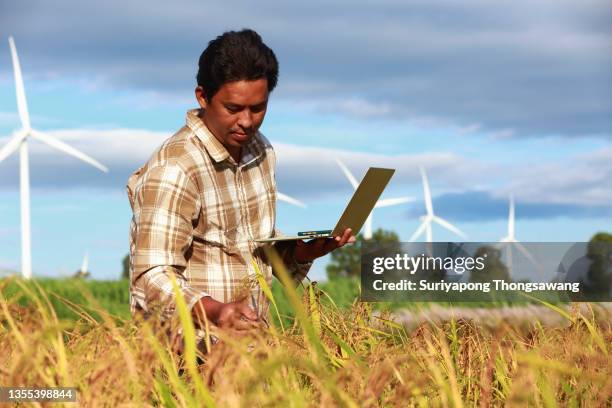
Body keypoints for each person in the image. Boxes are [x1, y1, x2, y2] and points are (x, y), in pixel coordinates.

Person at [126, 29, 355, 336]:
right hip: (188, 361)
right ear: (203, 97)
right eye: (233, 109)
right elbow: (151, 277)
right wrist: (217, 311)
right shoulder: (176, 169)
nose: (247, 121)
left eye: (258, 108)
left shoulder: (261, 151)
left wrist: (302, 254)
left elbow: (251, 249)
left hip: (252, 353)